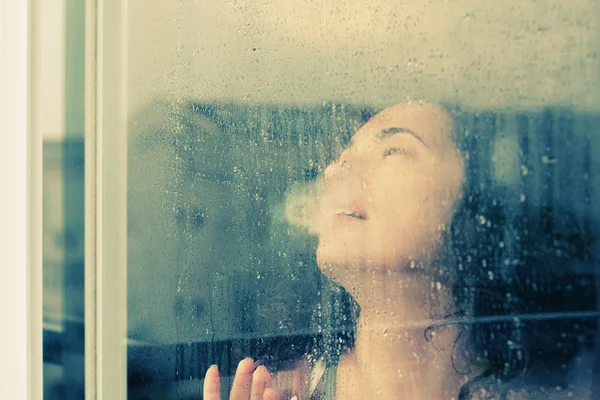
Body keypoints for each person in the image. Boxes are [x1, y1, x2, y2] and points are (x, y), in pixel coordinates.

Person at [203, 102, 597, 399]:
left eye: (393, 150)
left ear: (473, 209)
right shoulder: (283, 389)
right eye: (342, 157)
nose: (334, 171)